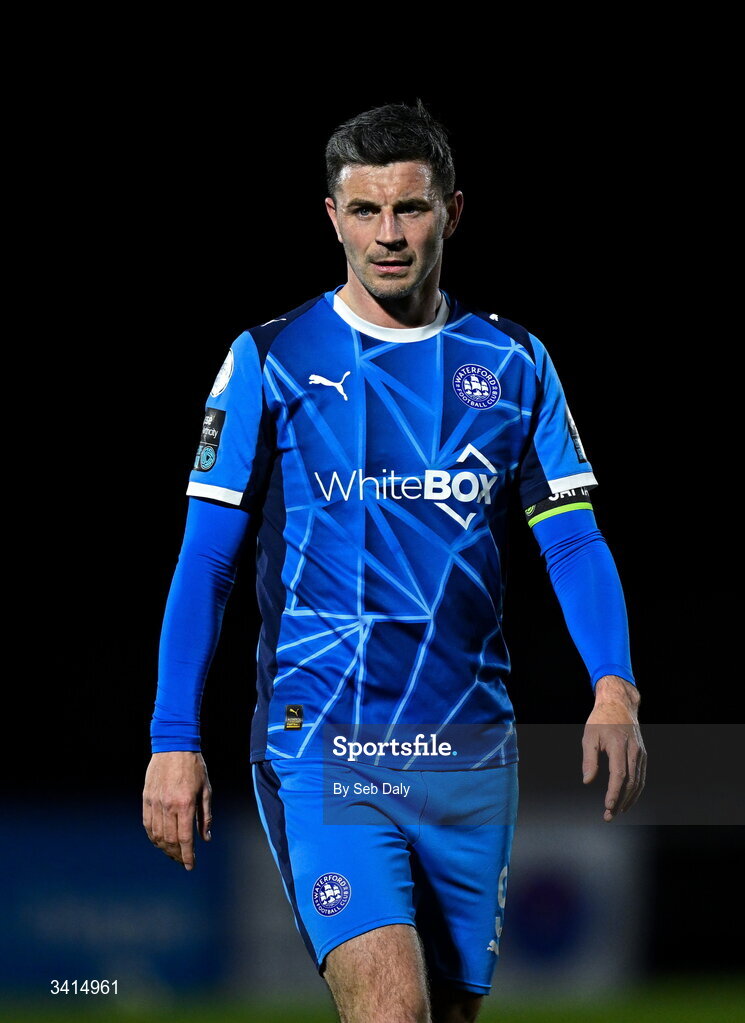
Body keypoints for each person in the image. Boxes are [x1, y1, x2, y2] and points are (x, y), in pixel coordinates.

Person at [143, 101, 646, 1023]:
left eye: (409, 209)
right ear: (330, 216)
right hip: (323, 744)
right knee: (391, 1012)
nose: (387, 235)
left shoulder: (514, 362)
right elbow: (205, 562)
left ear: (452, 212)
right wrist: (174, 736)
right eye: (364, 210)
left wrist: (613, 684)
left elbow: (570, 537)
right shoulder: (269, 360)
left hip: (467, 750)